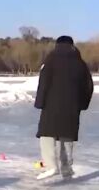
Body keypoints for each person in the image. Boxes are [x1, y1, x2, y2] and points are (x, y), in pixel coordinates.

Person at [34, 35, 94, 180]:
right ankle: (66, 169)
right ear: (72, 45)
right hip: (72, 107)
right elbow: (88, 86)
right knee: (67, 136)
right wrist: (83, 104)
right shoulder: (80, 63)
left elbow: (44, 82)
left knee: (47, 134)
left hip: (51, 105)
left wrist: (40, 102)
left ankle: (51, 166)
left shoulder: (51, 60)